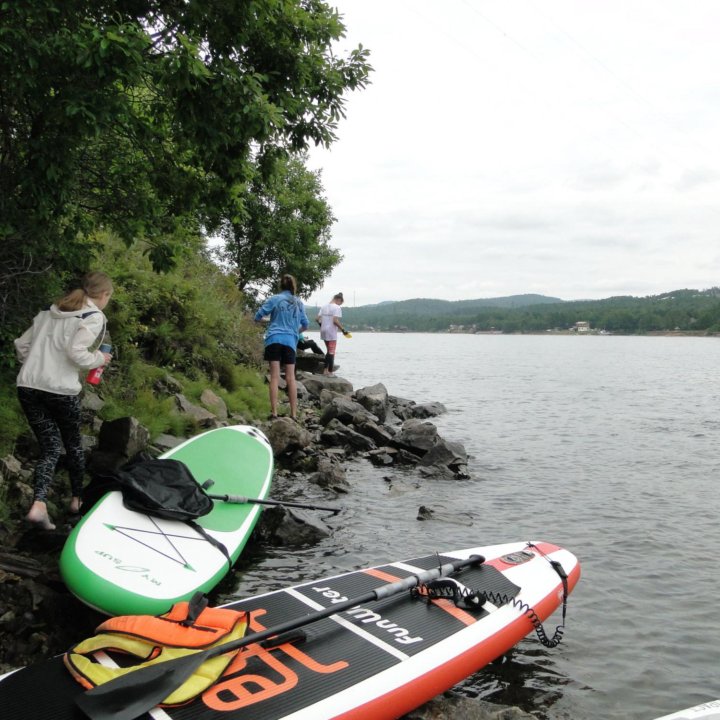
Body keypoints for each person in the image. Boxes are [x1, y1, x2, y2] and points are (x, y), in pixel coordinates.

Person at [14, 271, 114, 529]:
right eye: (108, 297)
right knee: (73, 445)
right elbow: (76, 352)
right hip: (60, 391)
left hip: (29, 386)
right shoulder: (94, 317)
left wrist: (36, 366)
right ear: (103, 295)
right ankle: (76, 501)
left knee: (49, 447)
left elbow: (21, 345)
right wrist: (98, 360)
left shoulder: (47, 313)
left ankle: (38, 505)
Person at [254, 274, 309, 421]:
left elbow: (257, 317)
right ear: (293, 286)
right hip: (290, 342)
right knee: (291, 378)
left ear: (281, 286)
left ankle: (274, 412)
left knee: (274, 377)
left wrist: (269, 321)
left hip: (274, 339)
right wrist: (293, 331)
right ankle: (294, 414)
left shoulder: (274, 299)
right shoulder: (298, 303)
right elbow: (305, 325)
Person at [316, 292, 348, 376]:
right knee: (331, 352)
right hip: (331, 332)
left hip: (323, 331)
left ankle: (326, 370)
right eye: (340, 303)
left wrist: (322, 325)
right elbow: (335, 320)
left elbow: (317, 319)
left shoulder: (323, 306)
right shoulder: (337, 307)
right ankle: (329, 372)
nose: (340, 305)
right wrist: (343, 330)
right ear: (339, 300)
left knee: (329, 351)